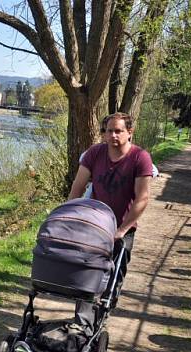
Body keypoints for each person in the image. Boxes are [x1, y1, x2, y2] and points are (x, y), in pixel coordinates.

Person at [68, 112, 154, 334]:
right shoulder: (95, 154)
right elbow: (78, 186)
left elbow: (142, 197)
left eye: (118, 131)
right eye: (109, 131)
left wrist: (122, 229)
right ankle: (82, 323)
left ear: (129, 133)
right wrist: (71, 215)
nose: (113, 135)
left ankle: (102, 314)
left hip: (122, 227)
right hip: (95, 225)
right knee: (88, 271)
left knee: (114, 275)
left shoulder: (140, 158)